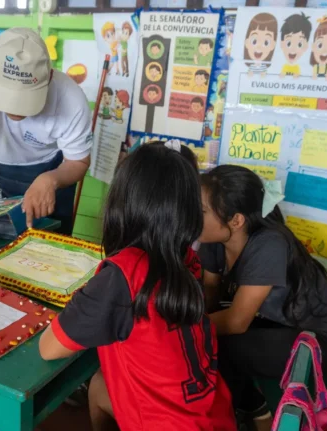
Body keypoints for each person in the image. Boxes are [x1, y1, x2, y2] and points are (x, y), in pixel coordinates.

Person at [38, 143, 236, 431]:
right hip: (212, 417)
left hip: (168, 424)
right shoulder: (187, 259)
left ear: (122, 201)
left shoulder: (124, 275)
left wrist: (89, 297)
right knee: (99, 384)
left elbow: (49, 348)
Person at [198, 165, 327, 429]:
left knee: (217, 345)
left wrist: (184, 328)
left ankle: (257, 414)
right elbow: (210, 292)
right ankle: (239, 406)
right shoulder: (215, 241)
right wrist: (195, 319)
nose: (188, 215)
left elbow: (236, 322)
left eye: (200, 211)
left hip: (323, 344)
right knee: (206, 339)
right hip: (281, 327)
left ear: (236, 221)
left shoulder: (268, 244)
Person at [0, 28, 92, 266]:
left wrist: (51, 179)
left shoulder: (71, 99)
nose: (14, 109)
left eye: (24, 99)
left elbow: (79, 161)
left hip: (51, 168)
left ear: (49, 78)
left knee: (46, 262)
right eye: (7, 97)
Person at [243, 13, 278, 78]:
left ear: (273, 45)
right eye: (254, 41)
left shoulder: (264, 67)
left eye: (266, 43)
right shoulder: (251, 66)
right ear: (246, 42)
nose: (259, 47)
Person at [279, 13, 311, 79]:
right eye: (288, 43)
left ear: (306, 46)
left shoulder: (300, 68)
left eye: (299, 44)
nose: (293, 50)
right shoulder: (282, 66)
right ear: (281, 43)